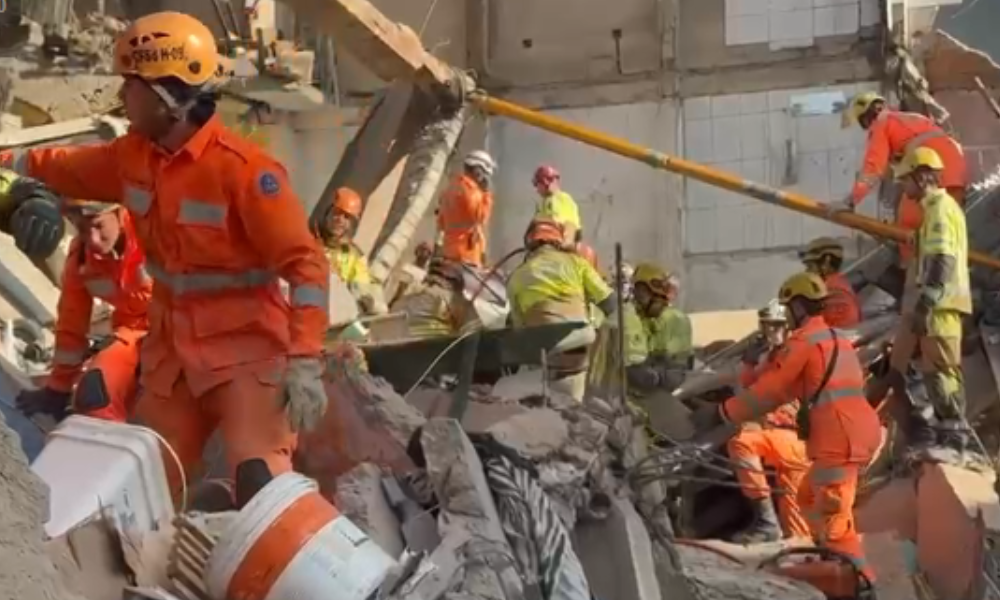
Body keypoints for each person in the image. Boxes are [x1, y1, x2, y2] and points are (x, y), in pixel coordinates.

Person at [0, 11, 330, 506]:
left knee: (262, 486)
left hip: (248, 356)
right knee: (141, 488)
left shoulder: (246, 173)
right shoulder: (131, 158)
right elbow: (57, 165)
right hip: (171, 360)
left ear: (166, 95)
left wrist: (305, 360)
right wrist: (12, 176)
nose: (121, 98)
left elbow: (306, 266)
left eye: (130, 85)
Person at [691, 272, 882, 581]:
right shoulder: (831, 339)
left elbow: (771, 392)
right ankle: (832, 564)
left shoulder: (804, 341)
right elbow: (780, 382)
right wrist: (752, 367)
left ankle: (859, 583)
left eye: (787, 309)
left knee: (834, 519)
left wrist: (723, 412)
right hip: (852, 431)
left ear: (799, 306)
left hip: (840, 437)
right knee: (808, 496)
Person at [16, 200, 151, 423]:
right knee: (95, 395)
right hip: (135, 338)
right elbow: (71, 323)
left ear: (118, 213)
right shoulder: (81, 259)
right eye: (82, 229)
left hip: (189, 339)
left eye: (98, 226)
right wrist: (58, 389)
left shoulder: (154, 234)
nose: (93, 240)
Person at [884, 147, 972, 457]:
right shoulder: (941, 209)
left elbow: (942, 258)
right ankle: (950, 435)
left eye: (906, 180)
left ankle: (954, 437)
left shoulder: (938, 208)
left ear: (922, 177)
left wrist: (928, 300)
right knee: (937, 370)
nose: (903, 187)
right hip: (943, 303)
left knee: (942, 371)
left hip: (942, 304)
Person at [833, 92, 967, 264]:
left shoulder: (881, 124)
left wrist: (850, 201)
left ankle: (911, 272)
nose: (867, 128)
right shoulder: (909, 118)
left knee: (907, 224)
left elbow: (873, 169)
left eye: (863, 122)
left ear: (869, 115)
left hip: (933, 172)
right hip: (954, 170)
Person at [726, 300, 811, 543]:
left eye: (775, 327)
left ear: (788, 326)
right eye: (766, 326)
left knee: (742, 443)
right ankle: (782, 538)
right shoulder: (776, 356)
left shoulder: (792, 356)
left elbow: (765, 395)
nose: (769, 332)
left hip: (794, 437)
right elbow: (752, 388)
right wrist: (750, 365)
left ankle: (766, 522)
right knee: (794, 523)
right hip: (789, 441)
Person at [507, 218, 616, 400]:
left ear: (529, 244)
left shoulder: (517, 275)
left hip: (541, 352)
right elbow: (610, 303)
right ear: (558, 241)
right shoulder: (577, 264)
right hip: (578, 347)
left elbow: (518, 327)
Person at [319, 186, 385, 315]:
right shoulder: (309, 242)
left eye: (346, 217)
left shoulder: (355, 257)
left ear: (352, 224)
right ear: (328, 213)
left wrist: (367, 300)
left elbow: (361, 287)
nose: (340, 220)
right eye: (337, 213)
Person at [390, 258, 480, 339]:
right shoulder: (449, 298)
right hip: (430, 349)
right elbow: (470, 329)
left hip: (396, 346)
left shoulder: (407, 295)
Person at [632, 263, 693, 378]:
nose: (637, 296)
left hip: (670, 381)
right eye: (636, 290)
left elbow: (670, 358)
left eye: (642, 291)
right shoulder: (640, 319)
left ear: (657, 293)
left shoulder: (676, 319)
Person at [436, 150, 495, 268]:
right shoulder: (471, 190)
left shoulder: (451, 187)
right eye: (485, 174)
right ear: (477, 170)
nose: (484, 178)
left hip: (449, 251)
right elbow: (480, 217)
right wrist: (487, 194)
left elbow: (441, 223)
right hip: (465, 255)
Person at [799, 237, 861, 329]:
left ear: (826, 262)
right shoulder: (839, 283)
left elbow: (812, 326)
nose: (807, 271)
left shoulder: (830, 290)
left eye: (810, 266)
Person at [532, 165, 581, 247]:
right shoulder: (543, 203)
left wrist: (568, 240)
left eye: (538, 184)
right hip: (545, 238)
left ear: (546, 182)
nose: (537, 190)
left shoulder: (563, 198)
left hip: (560, 236)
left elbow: (569, 222)